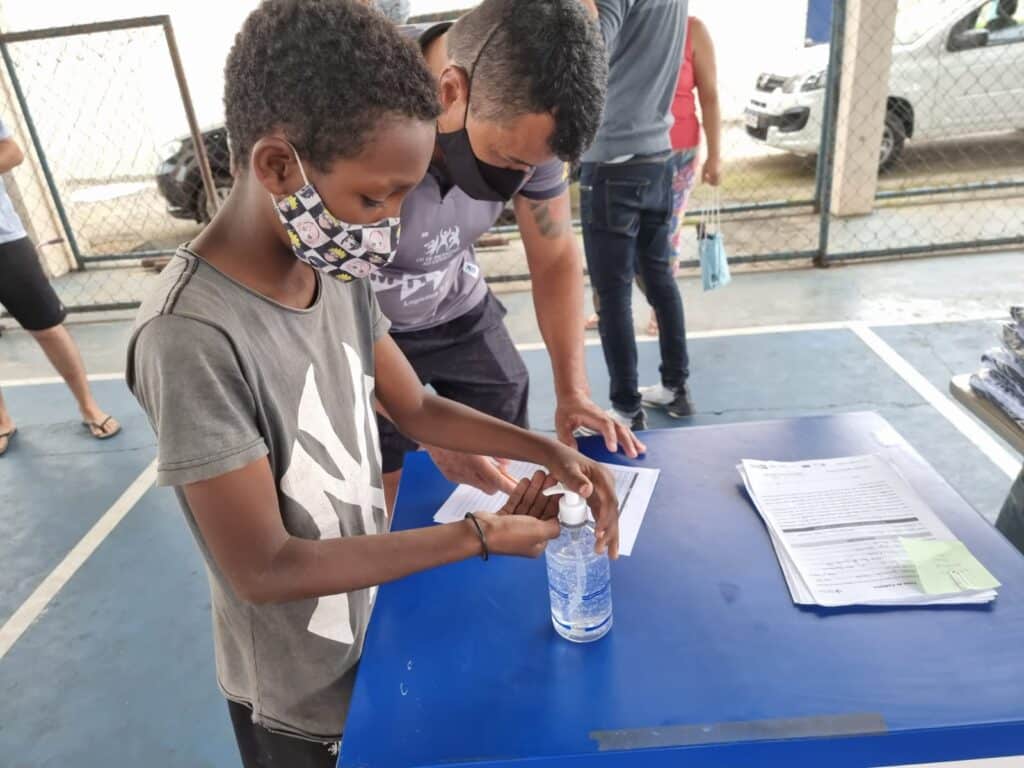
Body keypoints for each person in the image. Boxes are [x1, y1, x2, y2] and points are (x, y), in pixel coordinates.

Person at [125, 2, 618, 765]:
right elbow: (263, 568)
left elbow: (415, 406)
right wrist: (477, 536)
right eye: (373, 198)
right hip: (296, 704)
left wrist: (548, 452)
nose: (387, 229)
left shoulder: (334, 266)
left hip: (369, 642)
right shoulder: (191, 334)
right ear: (279, 167)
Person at [372, 0, 644, 514]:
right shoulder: (361, 120)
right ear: (450, 92)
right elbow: (312, 310)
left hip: (455, 303)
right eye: (508, 161)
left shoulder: (530, 122)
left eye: (532, 166)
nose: (518, 179)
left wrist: (573, 390)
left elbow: (556, 255)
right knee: (384, 488)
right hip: (362, 323)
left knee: (499, 466)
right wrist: (425, 430)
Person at [579, 0, 692, 430]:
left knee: (613, 295)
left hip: (613, 161)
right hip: (657, 155)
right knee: (658, 277)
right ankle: (675, 387)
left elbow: (591, 47)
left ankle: (625, 408)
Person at [584, 14, 721, 346]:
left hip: (676, 151)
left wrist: (716, 155)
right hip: (619, 149)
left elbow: (710, 96)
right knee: (612, 243)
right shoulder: (618, 23)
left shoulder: (692, 30)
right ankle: (611, 308)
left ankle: (659, 308)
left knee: (664, 236)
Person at [0, 119, 120, 455]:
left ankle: (88, 406)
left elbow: (12, 152)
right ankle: (1, 421)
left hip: (4, 240)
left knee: (48, 327)